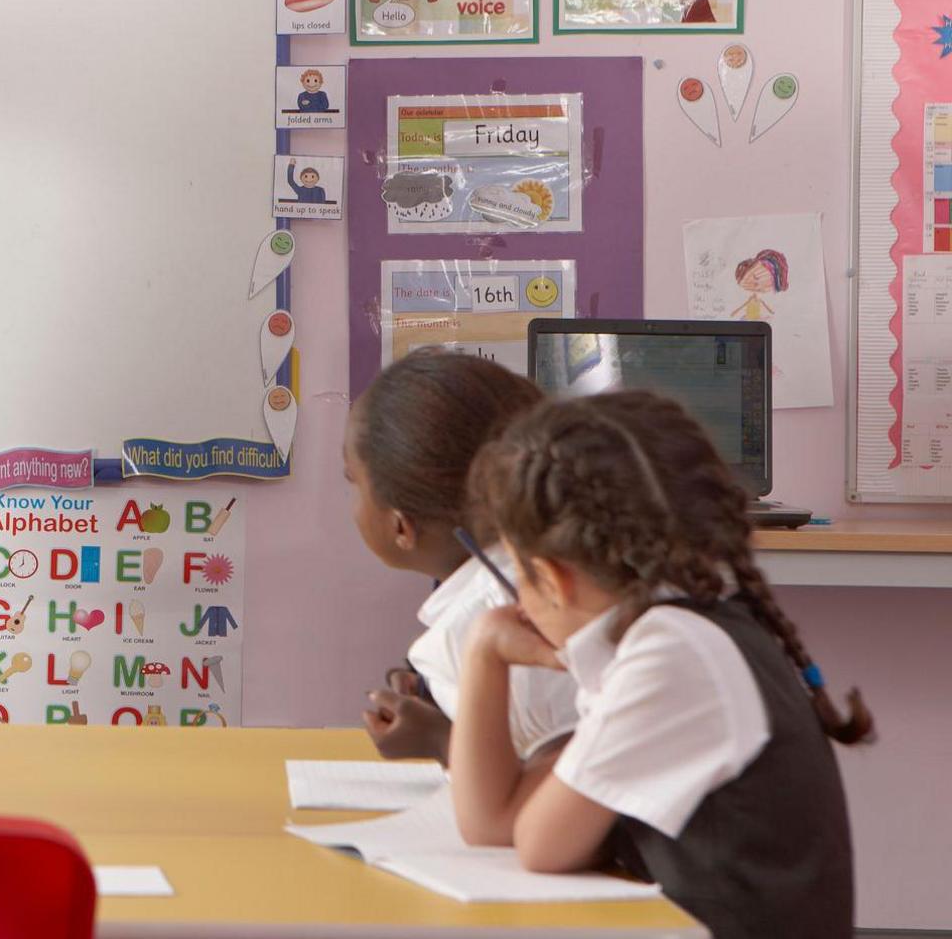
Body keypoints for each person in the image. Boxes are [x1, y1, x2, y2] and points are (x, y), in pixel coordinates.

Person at [451, 391, 870, 939]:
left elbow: (537, 844)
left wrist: (485, 649)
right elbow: (493, 822)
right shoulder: (683, 629)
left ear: (552, 579)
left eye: (517, 574)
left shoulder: (672, 653)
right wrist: (486, 650)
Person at [344, 351, 576, 763]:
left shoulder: (490, 622)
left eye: (355, 484)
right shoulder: (569, 569)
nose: (354, 504)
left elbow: (556, 801)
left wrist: (444, 743)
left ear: (401, 527)